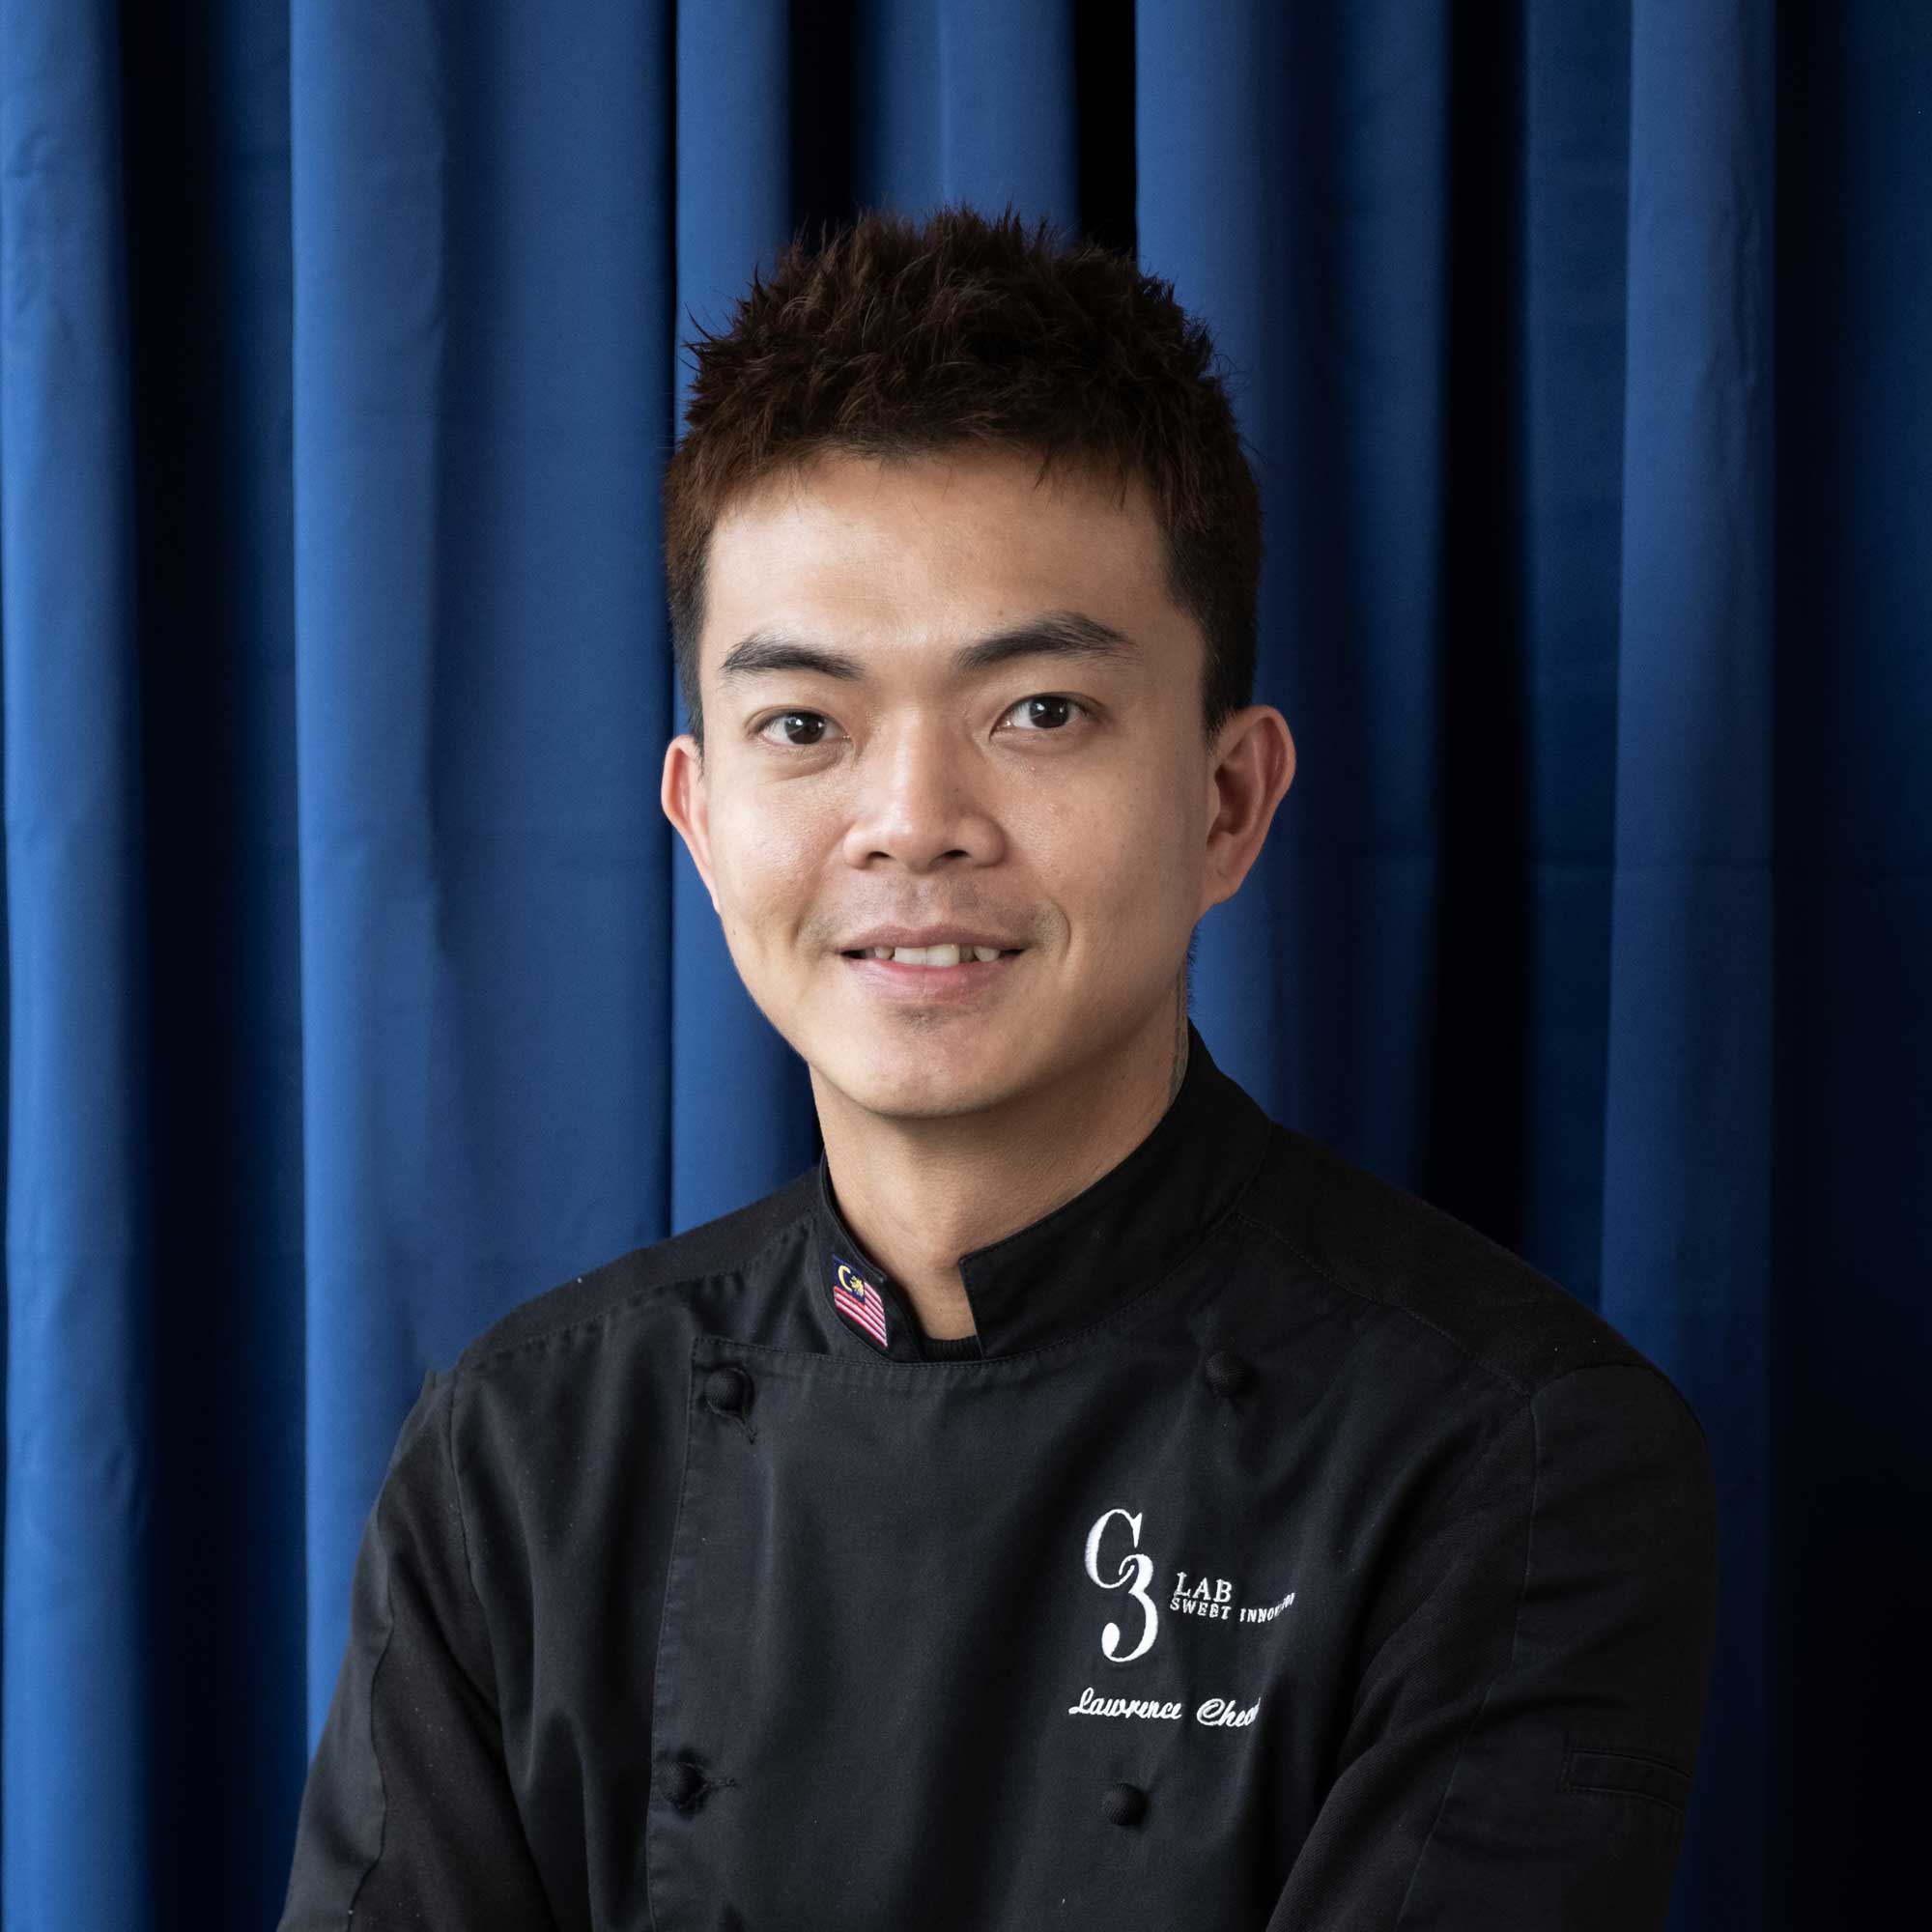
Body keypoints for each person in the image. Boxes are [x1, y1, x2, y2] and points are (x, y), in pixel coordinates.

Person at [277, 204, 1719, 1931]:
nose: (913, 824)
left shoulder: (1513, 1461)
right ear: (703, 820)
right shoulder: (519, 1457)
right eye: (804, 724)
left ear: (1228, 801)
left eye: (1038, 711)